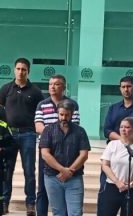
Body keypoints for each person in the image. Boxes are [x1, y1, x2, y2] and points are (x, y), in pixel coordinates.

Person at [0, 58, 44, 215]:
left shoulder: (36, 91)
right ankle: (4, 203)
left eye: (24, 69)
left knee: (29, 171)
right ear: (14, 69)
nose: (21, 71)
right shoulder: (5, 89)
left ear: (28, 71)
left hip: (28, 135)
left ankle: (31, 204)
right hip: (8, 134)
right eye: (18, 68)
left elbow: (40, 113)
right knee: (7, 169)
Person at [97, 76, 133, 214]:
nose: (126, 89)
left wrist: (129, 140)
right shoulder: (113, 108)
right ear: (120, 88)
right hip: (114, 155)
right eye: (123, 87)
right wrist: (122, 139)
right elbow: (107, 130)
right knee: (105, 203)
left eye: (129, 86)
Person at [34, 74, 80, 216]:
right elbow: (38, 126)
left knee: (66, 186)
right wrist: (54, 136)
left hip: (68, 150)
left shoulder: (72, 104)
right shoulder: (42, 104)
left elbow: (75, 126)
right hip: (47, 149)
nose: (52, 87)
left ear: (64, 86)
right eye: (50, 84)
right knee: (42, 188)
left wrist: (54, 135)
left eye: (57, 84)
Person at [39, 99, 90, 216]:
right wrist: (63, 170)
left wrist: (69, 171)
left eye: (67, 115)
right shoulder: (48, 130)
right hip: (52, 177)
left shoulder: (80, 131)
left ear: (72, 114)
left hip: (74, 178)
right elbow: (45, 154)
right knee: (58, 212)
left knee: (76, 213)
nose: (63, 118)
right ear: (57, 113)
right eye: (61, 114)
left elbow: (84, 155)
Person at [97, 117, 133, 216]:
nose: (123, 130)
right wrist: (117, 182)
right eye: (121, 127)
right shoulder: (112, 144)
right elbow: (105, 165)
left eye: (127, 127)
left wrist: (131, 184)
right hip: (112, 187)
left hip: (132, 190)